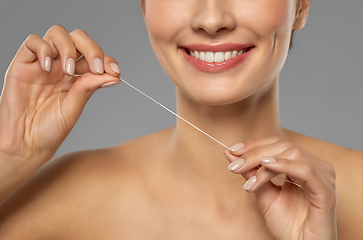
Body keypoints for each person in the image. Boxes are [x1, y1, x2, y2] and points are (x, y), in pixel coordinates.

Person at [0, 0, 362, 239]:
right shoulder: (67, 202)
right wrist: (8, 157)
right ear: (144, 6)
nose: (212, 20)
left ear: (299, 7)